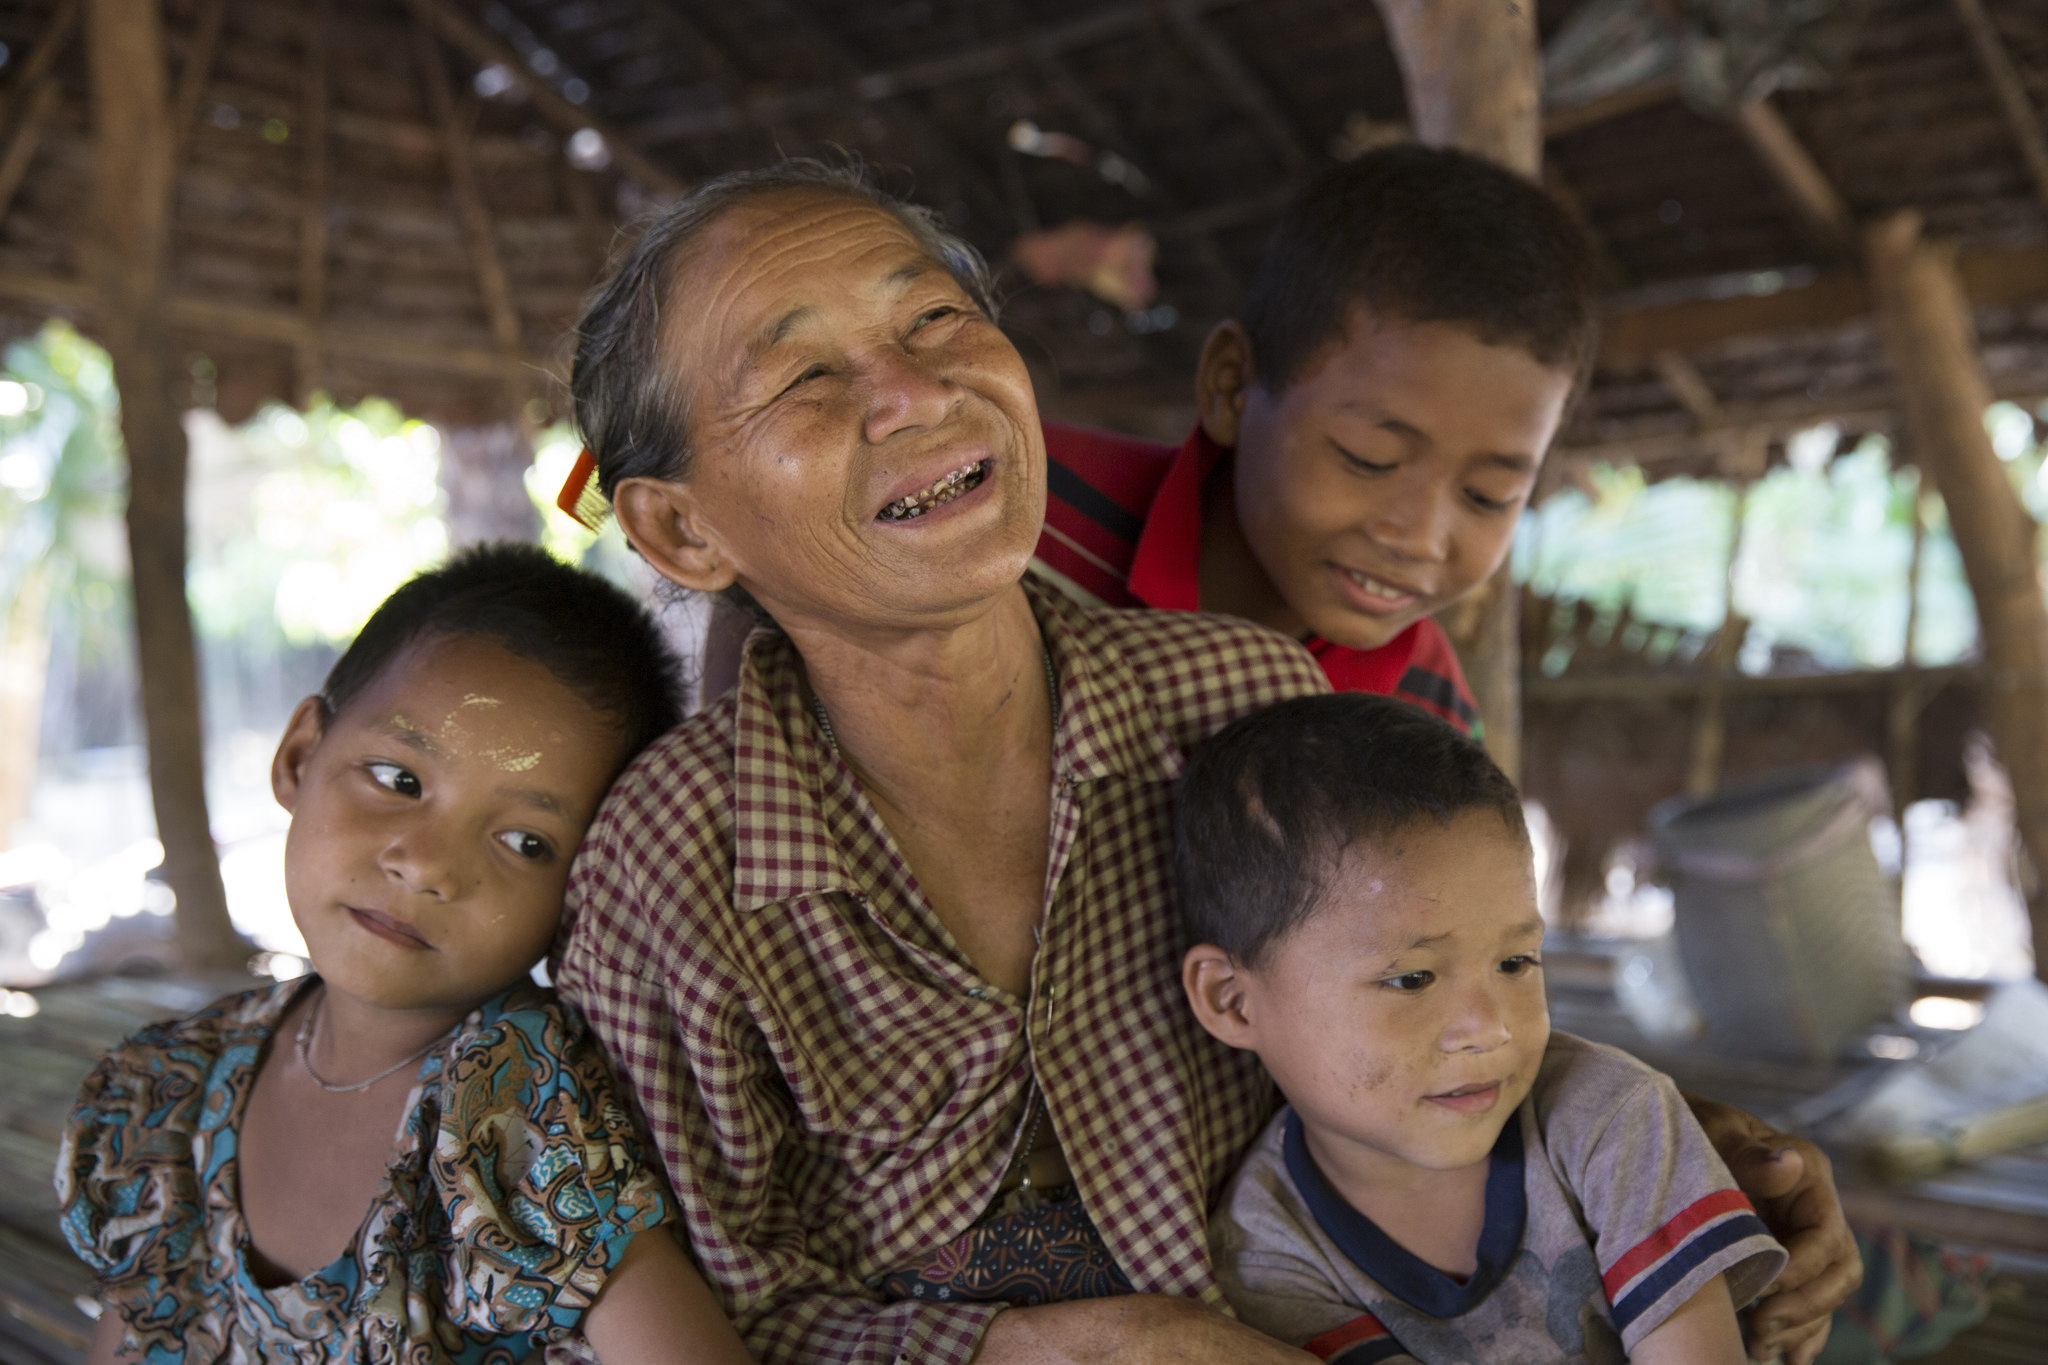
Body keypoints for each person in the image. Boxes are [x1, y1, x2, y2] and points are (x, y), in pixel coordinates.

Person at [555, 159, 1851, 1365]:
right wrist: (1020, 1349)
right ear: (679, 526)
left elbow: (1428, 1029)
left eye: (937, 321)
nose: (914, 391)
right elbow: (717, 1298)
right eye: (802, 380)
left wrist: (1652, 1154)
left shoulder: (1243, 708)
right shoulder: (673, 868)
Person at [1033, 145, 1857, 1362]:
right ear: (1226, 386)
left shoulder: (1419, 707)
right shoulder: (1022, 529)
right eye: (1368, 458)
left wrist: (1680, 1150)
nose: (1419, 534)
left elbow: (1429, 994)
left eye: (1488, 494)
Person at [56, 544, 753, 1365]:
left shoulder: (508, 1104)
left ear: (582, 887)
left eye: (525, 841)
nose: (427, 865)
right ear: (299, 755)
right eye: (398, 778)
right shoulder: (163, 1099)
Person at [1177, 694, 1786, 1363]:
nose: (1487, 1027)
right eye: (1411, 978)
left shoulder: (1612, 1117)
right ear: (1233, 1002)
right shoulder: (1271, 1252)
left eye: (1516, 961)